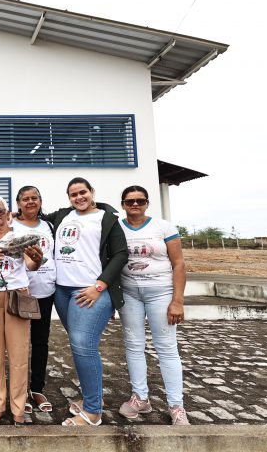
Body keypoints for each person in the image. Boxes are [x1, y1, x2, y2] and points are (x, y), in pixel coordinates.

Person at [44, 177, 128, 426]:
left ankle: (92, 412)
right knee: (80, 345)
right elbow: (35, 215)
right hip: (62, 291)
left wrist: (99, 286)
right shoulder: (63, 216)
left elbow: (121, 254)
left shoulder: (106, 218)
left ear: (92, 192)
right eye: (73, 194)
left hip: (91, 290)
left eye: (83, 193)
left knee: (83, 344)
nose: (79, 197)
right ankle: (94, 398)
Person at [117, 186, 189, 425]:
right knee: (134, 345)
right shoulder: (117, 227)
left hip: (161, 293)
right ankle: (140, 397)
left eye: (140, 200)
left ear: (147, 203)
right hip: (129, 293)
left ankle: (176, 405)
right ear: (123, 204)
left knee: (166, 347)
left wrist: (177, 301)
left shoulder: (164, 227)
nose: (135, 205)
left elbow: (178, 264)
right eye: (130, 201)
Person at [0, 196, 43, 425]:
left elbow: (31, 265)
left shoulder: (18, 236)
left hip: (17, 295)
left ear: (7, 212)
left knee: (19, 354)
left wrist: (37, 259)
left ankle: (18, 407)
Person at [12, 186, 57, 415]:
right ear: (18, 203)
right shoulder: (12, 226)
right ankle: (19, 391)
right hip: (21, 292)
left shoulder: (49, 225)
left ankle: (37, 388)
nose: (30, 202)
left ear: (40, 201)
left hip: (45, 292)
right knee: (18, 344)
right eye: (25, 199)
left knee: (40, 342)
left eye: (34, 198)